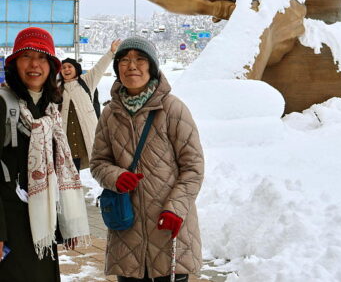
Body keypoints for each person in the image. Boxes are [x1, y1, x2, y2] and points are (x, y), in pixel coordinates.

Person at [90, 36, 204, 282]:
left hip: (168, 226)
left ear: (152, 66)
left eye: (140, 59)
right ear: (117, 67)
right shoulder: (110, 113)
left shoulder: (173, 109)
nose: (132, 66)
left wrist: (175, 208)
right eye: (124, 60)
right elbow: (98, 163)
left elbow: (193, 167)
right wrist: (116, 177)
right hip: (126, 228)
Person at [0, 27, 89, 282]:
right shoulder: (3, 103)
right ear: (14, 63)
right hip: (12, 224)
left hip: (41, 223)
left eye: (42, 57)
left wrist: (67, 221)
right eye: (26, 56)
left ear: (52, 66)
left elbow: (57, 169)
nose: (34, 64)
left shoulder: (49, 108)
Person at [58, 39, 120, 171]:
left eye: (69, 66)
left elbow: (99, 68)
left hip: (85, 135)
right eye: (63, 68)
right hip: (66, 137)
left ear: (76, 69)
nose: (66, 69)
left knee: (97, 166)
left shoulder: (86, 82)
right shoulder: (57, 88)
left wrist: (111, 52)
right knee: (69, 169)